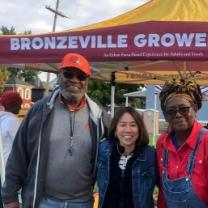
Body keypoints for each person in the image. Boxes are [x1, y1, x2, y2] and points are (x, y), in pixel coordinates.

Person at [2, 53, 109, 208]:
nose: (74, 80)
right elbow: (19, 154)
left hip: (83, 202)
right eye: (68, 74)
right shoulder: (39, 111)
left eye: (81, 76)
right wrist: (10, 196)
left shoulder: (99, 116)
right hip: (43, 201)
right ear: (60, 76)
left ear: (87, 81)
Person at [156, 78, 208, 208]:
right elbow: (162, 192)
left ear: (195, 108)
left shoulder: (205, 141)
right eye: (171, 111)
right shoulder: (162, 143)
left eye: (184, 109)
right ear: (165, 115)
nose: (178, 115)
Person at [97, 107, 157, 208]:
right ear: (115, 129)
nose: (128, 130)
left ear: (139, 129)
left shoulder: (150, 155)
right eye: (122, 125)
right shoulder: (103, 150)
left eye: (133, 125)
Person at [0, 91, 22, 164]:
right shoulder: (13, 121)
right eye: (19, 104)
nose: (20, 107)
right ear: (14, 105)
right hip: (9, 164)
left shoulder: (2, 118)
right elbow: (21, 145)